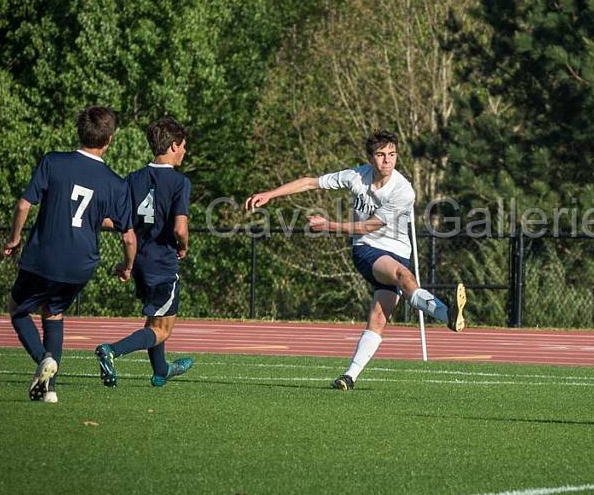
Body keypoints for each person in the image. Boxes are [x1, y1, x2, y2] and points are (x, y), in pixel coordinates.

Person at [245, 130, 465, 391]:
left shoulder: (404, 190)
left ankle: (348, 377)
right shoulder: (356, 176)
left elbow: (368, 225)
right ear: (370, 158)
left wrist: (328, 225)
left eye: (392, 154)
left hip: (396, 250)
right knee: (403, 277)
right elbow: (309, 183)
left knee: (379, 318)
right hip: (367, 250)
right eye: (381, 155)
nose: (387, 161)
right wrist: (271, 194)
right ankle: (445, 313)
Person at [3, 105, 136, 404]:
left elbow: (24, 205)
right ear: (109, 140)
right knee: (54, 312)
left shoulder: (54, 162)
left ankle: (43, 359)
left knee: (17, 309)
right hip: (81, 263)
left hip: (44, 255)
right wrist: (127, 267)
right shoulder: (115, 183)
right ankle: (49, 389)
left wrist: (13, 239)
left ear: (79, 131)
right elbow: (128, 236)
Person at [95, 116, 194, 388]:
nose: (185, 150)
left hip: (139, 262)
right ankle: (111, 350)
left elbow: (115, 220)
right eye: (184, 145)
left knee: (154, 318)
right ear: (173, 146)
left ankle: (161, 370)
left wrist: (125, 264)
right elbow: (180, 228)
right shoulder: (179, 182)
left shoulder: (133, 179)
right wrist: (183, 247)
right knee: (161, 329)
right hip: (163, 263)